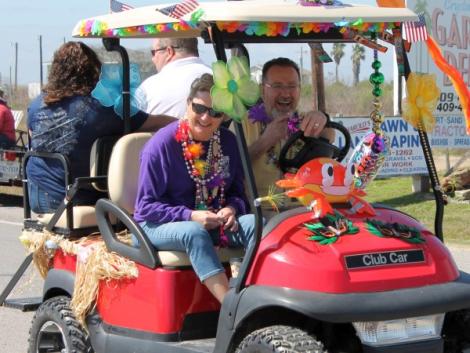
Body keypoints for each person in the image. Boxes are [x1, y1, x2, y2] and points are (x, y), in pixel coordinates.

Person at [134, 73, 255, 303]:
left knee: (256, 224)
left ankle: (257, 296)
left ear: (223, 116)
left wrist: (232, 207)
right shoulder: (161, 146)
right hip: (156, 225)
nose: (206, 117)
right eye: (199, 108)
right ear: (188, 104)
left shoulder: (227, 142)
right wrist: (190, 215)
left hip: (212, 220)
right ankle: (233, 308)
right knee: (194, 232)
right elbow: (145, 207)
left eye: (215, 112)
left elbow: (238, 193)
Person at [27, 41, 175, 214]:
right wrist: (183, 123)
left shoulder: (37, 104)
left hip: (38, 196)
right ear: (92, 71)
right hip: (79, 197)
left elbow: (32, 135)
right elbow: (155, 122)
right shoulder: (101, 106)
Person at [241, 57, 335, 202]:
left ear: (299, 89)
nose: (285, 94)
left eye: (292, 86)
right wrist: (264, 141)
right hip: (262, 212)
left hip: (303, 209)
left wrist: (323, 119)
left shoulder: (306, 121)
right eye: (277, 86)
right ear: (263, 89)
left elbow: (329, 139)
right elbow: (230, 168)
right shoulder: (244, 122)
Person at [137, 37, 212, 117]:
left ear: (169, 52)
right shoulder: (219, 78)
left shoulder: (148, 87)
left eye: (154, 52)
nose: (153, 59)